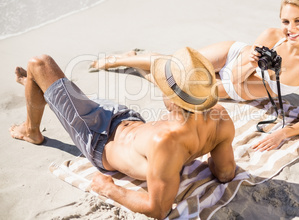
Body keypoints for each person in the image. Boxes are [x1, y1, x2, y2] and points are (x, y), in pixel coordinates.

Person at [9, 47, 236, 220]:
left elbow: (158, 208)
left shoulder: (167, 141)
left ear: (173, 97)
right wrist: (209, 156)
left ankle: (31, 129)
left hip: (97, 135)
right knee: (74, 96)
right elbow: (225, 173)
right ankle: (39, 89)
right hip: (126, 118)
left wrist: (109, 188)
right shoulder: (219, 117)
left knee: (39, 63)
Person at [90, 0, 299, 152]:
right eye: (286, 21)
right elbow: (235, 74)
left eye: (298, 21)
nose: (290, 29)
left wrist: (282, 134)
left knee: (176, 85)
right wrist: (251, 63)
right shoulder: (271, 36)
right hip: (232, 57)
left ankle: (135, 62)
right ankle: (119, 59)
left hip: (236, 88)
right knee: (177, 65)